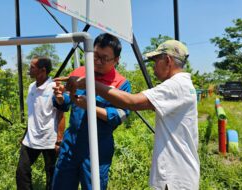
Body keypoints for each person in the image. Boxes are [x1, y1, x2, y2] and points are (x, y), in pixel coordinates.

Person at [61, 40, 200, 189]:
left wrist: (91, 84)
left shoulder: (176, 85)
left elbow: (132, 103)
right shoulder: (183, 85)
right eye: (96, 56)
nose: (153, 67)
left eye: (155, 61)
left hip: (175, 177)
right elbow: (66, 102)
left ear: (167, 60)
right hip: (178, 171)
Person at [52, 33, 131, 190]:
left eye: (104, 58)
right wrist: (60, 97)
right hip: (71, 144)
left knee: (94, 186)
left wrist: (91, 107)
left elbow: (120, 116)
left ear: (116, 60)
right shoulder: (79, 73)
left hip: (98, 148)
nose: (98, 61)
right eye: (95, 55)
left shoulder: (121, 83)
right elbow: (67, 102)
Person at [16, 56, 65, 190]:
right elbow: (33, 114)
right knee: (21, 171)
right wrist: (26, 133)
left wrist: (59, 140)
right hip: (31, 139)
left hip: (49, 139)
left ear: (42, 71)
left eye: (32, 67)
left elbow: (61, 115)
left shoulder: (54, 88)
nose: (29, 70)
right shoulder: (31, 87)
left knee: (51, 174)